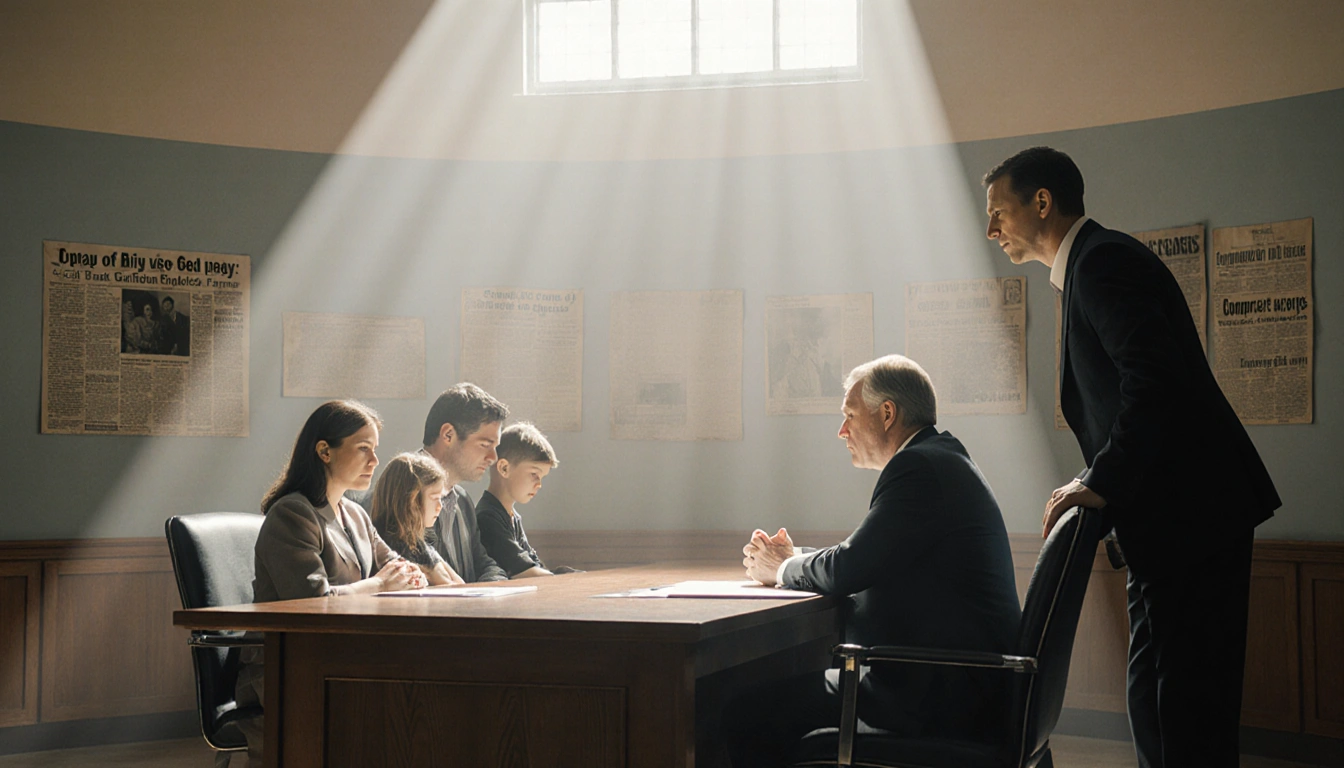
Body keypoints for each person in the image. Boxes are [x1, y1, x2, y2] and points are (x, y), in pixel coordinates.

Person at [983, 146, 1281, 768]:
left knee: (1184, 714)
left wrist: (1102, 478)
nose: (991, 230)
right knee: (1158, 703)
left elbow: (1153, 382)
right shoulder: (1092, 265)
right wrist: (1099, 479)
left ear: (1042, 202)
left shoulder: (1103, 262)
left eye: (999, 212)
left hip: (1192, 521)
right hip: (1173, 525)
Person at [726, 355, 1022, 768]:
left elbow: (851, 566)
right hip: (959, 686)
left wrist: (779, 568)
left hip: (933, 698)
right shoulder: (940, 459)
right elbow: (870, 557)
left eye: (849, 415)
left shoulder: (918, 467)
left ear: (887, 413)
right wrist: (794, 558)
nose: (841, 430)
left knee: (738, 710)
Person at [234, 400, 426, 766]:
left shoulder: (354, 513)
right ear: (324, 451)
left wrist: (408, 575)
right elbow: (311, 600)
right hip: (287, 668)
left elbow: (392, 565)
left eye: (376, 450)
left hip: (346, 657)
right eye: (363, 449)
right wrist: (380, 585)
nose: (374, 461)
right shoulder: (292, 513)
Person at [417, 383, 510, 582]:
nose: (493, 457)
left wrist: (491, 590)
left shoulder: (462, 499)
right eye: (485, 444)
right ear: (448, 435)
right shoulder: (402, 492)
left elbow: (485, 563)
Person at [477, 422, 580, 578]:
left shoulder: (512, 516)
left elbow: (534, 564)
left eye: (542, 478)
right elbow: (523, 571)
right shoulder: (488, 517)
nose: (539, 484)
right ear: (504, 468)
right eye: (534, 474)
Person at [371, 452, 467, 586]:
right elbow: (454, 586)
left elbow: (460, 584)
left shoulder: (421, 546)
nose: (440, 506)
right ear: (411, 502)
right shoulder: (383, 548)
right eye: (434, 498)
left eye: (441, 498)